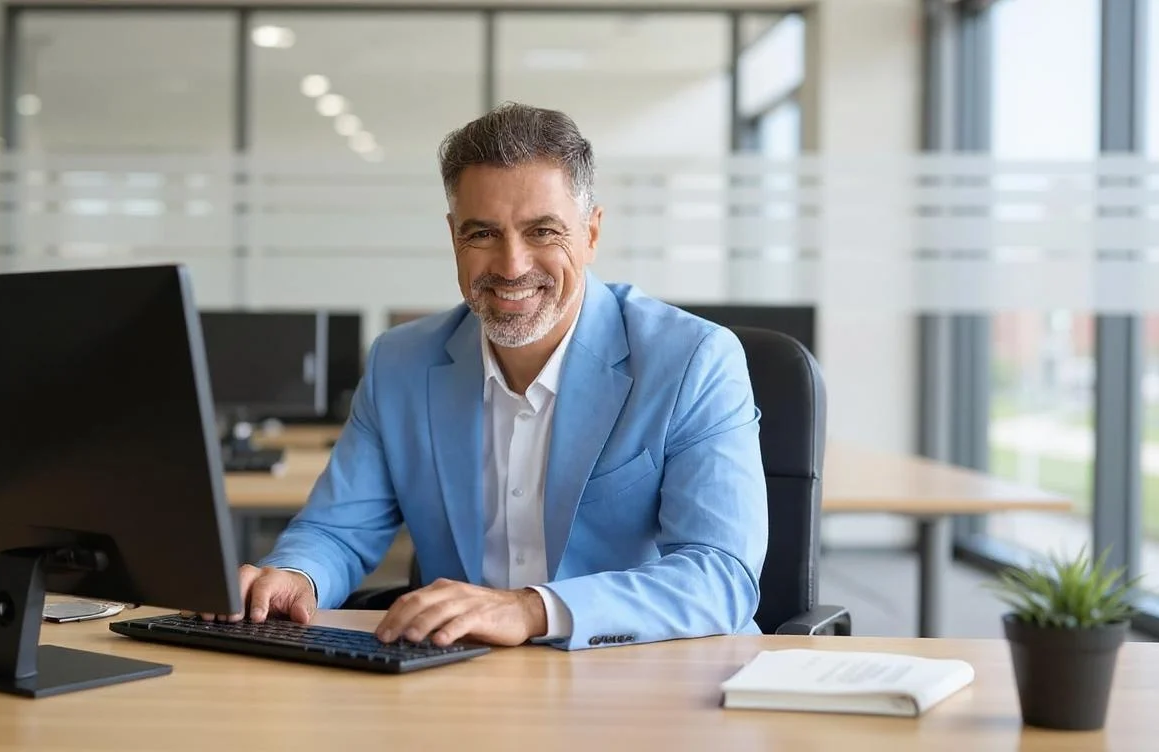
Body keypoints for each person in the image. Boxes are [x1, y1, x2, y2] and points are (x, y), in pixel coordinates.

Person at [210, 103, 768, 651]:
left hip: (646, 675)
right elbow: (335, 531)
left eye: (543, 231)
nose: (511, 265)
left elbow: (720, 575)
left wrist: (531, 609)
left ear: (592, 233)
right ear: (454, 236)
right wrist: (293, 576)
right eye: (482, 234)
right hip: (462, 677)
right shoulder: (400, 364)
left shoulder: (694, 359)